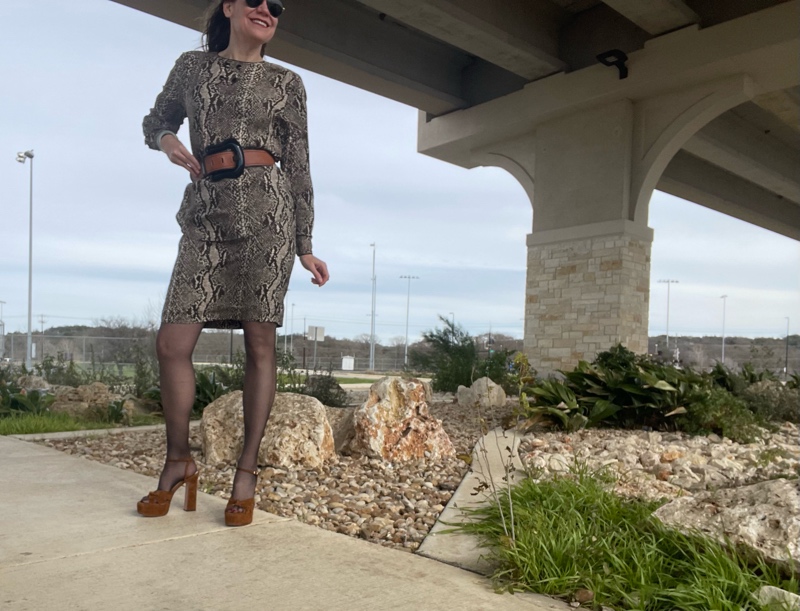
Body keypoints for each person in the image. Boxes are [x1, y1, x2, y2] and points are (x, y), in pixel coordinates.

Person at [136, 0, 329, 527]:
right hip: (205, 215)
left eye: (278, 6)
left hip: (269, 214)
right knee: (172, 344)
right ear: (231, 6)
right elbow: (157, 118)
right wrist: (169, 140)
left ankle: (246, 474)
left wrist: (304, 242)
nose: (269, 10)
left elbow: (301, 164)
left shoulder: (288, 83)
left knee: (259, 345)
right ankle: (179, 459)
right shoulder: (192, 66)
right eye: (258, 1)